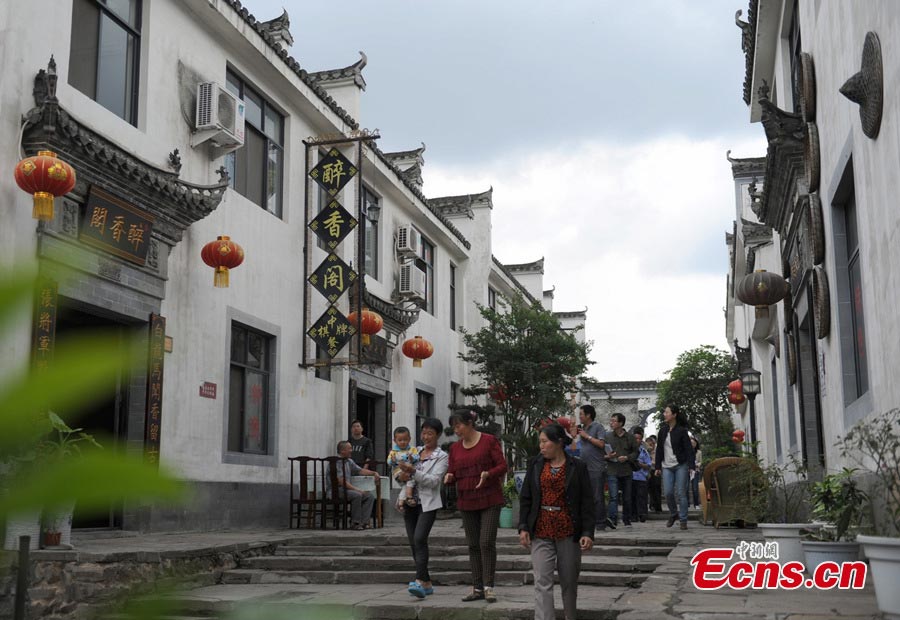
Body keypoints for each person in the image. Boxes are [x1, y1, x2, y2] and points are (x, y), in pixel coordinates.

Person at [518, 423, 594, 620]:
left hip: (568, 530)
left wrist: (587, 532)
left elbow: (587, 501)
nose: (541, 446)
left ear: (559, 442)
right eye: (540, 442)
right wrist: (523, 527)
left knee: (569, 582)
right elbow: (526, 497)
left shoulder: (577, 467)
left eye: (545, 442)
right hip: (541, 528)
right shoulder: (535, 464)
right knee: (542, 581)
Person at [443, 409, 507, 603]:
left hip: (489, 497)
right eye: (454, 426)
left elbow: (502, 466)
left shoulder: (489, 441)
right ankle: (477, 587)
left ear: (470, 423)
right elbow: (452, 471)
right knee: (473, 545)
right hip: (466, 499)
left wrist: (488, 474)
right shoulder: (455, 448)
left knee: (486, 542)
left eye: (459, 425)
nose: (456, 430)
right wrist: (449, 477)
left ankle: (489, 587)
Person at [395, 418, 449, 599]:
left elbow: (434, 481)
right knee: (413, 542)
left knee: (419, 538)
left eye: (430, 434)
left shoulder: (442, 456)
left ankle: (419, 580)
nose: (426, 437)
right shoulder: (414, 451)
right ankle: (426, 581)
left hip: (428, 504)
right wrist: (401, 477)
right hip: (410, 502)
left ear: (438, 435)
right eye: (423, 433)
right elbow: (399, 476)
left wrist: (413, 472)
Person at [654, 404, 694, 530]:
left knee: (681, 493)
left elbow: (689, 450)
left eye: (667, 412)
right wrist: (657, 466)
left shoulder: (681, 431)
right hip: (666, 466)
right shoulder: (662, 430)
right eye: (664, 412)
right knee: (668, 492)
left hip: (680, 465)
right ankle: (673, 513)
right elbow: (659, 449)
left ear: (674, 414)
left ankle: (683, 520)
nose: (664, 414)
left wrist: (691, 466)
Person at [332, 440, 381, 530]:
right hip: (337, 491)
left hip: (347, 490)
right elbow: (341, 481)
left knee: (369, 496)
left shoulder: (349, 461)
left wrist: (374, 473)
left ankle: (364, 522)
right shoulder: (337, 462)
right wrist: (357, 489)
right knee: (357, 495)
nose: (351, 450)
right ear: (342, 451)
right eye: (349, 448)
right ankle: (355, 522)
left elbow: (360, 470)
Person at [576, 404, 608, 532]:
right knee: (585, 496)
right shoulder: (582, 428)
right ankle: (589, 521)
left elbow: (601, 444)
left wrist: (587, 436)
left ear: (588, 415)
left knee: (597, 496)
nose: (580, 417)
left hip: (596, 467)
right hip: (584, 467)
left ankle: (601, 523)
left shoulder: (598, 427)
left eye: (581, 414)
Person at [604, 413, 637, 528]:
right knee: (613, 496)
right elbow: (602, 452)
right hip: (612, 469)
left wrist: (627, 457)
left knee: (627, 497)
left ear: (621, 423)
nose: (611, 423)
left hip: (626, 470)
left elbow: (636, 452)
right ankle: (613, 519)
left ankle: (626, 519)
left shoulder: (630, 437)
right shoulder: (607, 436)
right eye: (611, 421)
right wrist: (608, 456)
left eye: (614, 421)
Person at [387, 426, 421, 511]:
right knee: (411, 481)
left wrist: (412, 458)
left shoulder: (412, 449)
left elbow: (417, 457)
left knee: (405, 487)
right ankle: (409, 497)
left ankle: (400, 503)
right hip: (398, 473)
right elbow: (388, 462)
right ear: (395, 441)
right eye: (400, 440)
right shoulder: (394, 451)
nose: (403, 442)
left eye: (405, 440)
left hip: (409, 471)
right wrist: (393, 461)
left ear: (409, 439)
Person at [630, 427, 652, 523]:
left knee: (641, 496)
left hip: (641, 477)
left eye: (639, 438)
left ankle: (642, 514)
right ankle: (633, 515)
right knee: (632, 496)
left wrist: (640, 464)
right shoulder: (628, 450)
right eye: (635, 438)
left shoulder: (644, 451)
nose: (637, 440)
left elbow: (648, 465)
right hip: (631, 476)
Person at [645, 435, 663, 513]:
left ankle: (658, 507)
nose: (650, 446)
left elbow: (659, 461)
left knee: (657, 488)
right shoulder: (645, 451)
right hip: (647, 471)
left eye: (651, 444)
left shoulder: (658, 451)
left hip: (656, 470)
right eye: (648, 444)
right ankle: (652, 505)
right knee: (650, 489)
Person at [690, 436, 702, 508]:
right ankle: (687, 504)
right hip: (687, 471)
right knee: (685, 488)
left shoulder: (699, 452)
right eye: (691, 443)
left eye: (694, 443)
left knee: (695, 488)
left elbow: (701, 461)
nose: (692, 444)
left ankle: (696, 504)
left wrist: (697, 465)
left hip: (696, 471)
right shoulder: (686, 451)